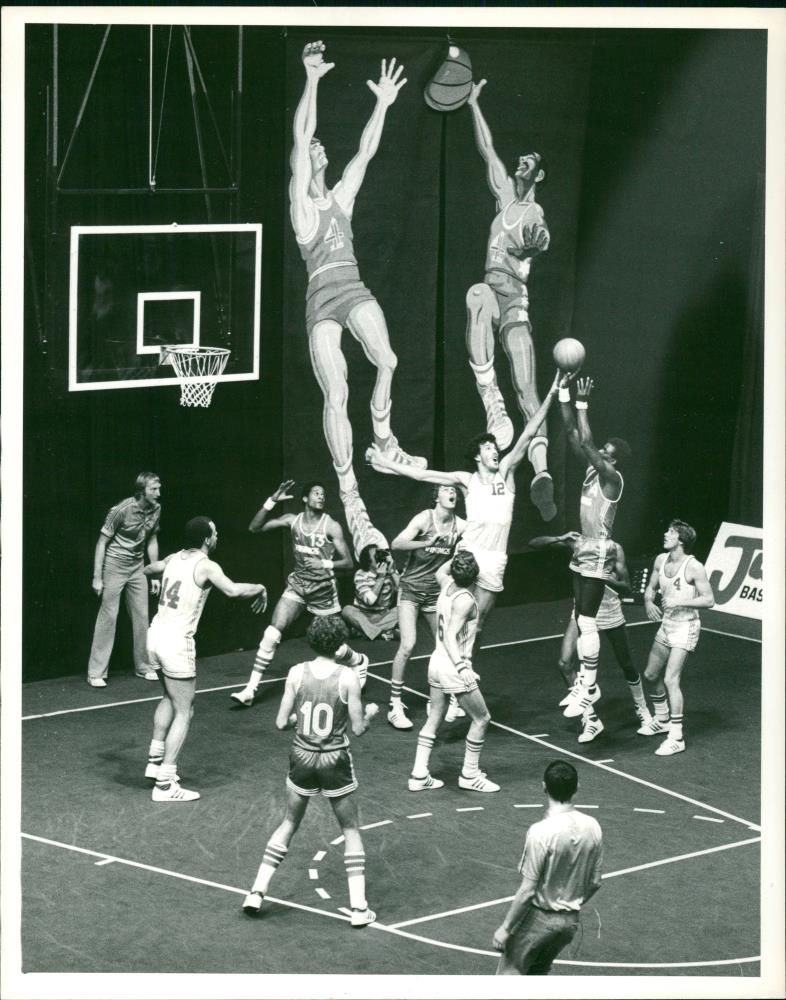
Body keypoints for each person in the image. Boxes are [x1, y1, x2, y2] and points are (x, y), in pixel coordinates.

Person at [289, 39, 425, 557]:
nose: (321, 148)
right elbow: (301, 138)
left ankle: (384, 443)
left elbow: (366, 152)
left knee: (387, 359)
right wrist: (312, 78)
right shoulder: (303, 208)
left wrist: (383, 104)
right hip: (321, 296)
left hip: (353, 285)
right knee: (337, 390)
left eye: (325, 147)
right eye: (315, 150)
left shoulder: (341, 198)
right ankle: (349, 491)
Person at [369, 370, 568, 658]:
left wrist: (551, 392)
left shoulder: (506, 472)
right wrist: (383, 459)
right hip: (468, 554)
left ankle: (464, 672)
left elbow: (528, 433)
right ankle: (450, 683)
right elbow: (422, 475)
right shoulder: (466, 480)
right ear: (477, 455)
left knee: (477, 625)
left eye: (495, 447)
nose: (494, 451)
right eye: (488, 448)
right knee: (455, 618)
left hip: (495, 559)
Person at [242, 615, 378, 927]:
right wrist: (369, 713)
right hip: (333, 759)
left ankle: (256, 892)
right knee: (351, 830)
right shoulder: (348, 677)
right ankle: (359, 910)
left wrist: (299, 721)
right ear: (340, 645)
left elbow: (281, 722)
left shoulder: (295, 673)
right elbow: (358, 729)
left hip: (301, 756)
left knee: (289, 823)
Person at [464, 79, 555, 522]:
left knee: (527, 388)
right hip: (493, 290)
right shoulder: (503, 198)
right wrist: (474, 101)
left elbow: (541, 240)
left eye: (530, 162)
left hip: (516, 301)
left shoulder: (533, 212)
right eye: (520, 159)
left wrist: (536, 246)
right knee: (475, 294)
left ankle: (541, 472)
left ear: (537, 176)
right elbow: (487, 148)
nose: (520, 163)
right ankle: (490, 401)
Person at [143, 517, 267, 801]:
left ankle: (154, 762)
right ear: (207, 539)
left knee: (168, 697)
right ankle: (165, 784)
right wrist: (260, 586)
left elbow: (151, 568)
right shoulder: (206, 565)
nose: (217, 536)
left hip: (155, 636)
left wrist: (156, 576)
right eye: (215, 532)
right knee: (185, 711)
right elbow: (233, 591)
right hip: (176, 642)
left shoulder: (175, 558)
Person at [231, 480, 369, 707]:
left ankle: (359, 661)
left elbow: (348, 562)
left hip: (324, 591)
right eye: (316, 493)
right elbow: (254, 528)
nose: (321, 497)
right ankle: (250, 690)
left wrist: (324, 563)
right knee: (271, 633)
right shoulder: (292, 521)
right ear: (305, 498)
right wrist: (271, 500)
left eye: (323, 494)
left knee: (331, 647)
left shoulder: (331, 526)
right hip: (298, 586)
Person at [528, 531, 653, 742]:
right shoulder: (577, 543)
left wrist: (600, 576)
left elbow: (627, 587)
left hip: (609, 611)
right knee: (564, 663)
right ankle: (591, 719)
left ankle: (643, 710)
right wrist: (560, 538)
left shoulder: (614, 549)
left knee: (627, 664)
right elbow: (533, 543)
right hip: (583, 612)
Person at [558, 376, 632, 726]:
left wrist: (583, 401)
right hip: (581, 548)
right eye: (603, 450)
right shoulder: (592, 470)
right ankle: (586, 686)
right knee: (579, 617)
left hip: (599, 549)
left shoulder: (612, 479)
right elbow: (574, 434)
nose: (601, 452)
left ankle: (588, 685)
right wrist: (563, 392)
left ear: (615, 462)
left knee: (587, 621)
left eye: (608, 453)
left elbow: (586, 439)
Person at [493, 760, 603, 975]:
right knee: (539, 975)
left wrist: (505, 928)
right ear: (577, 788)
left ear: (544, 787)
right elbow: (595, 882)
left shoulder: (540, 832)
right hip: (568, 925)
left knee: (507, 981)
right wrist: (569, 906)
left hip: (539, 920)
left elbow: (527, 891)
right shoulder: (593, 826)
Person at [407, 550, 500, 793]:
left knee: (435, 715)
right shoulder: (467, 600)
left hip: (435, 662)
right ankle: (469, 775)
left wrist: (458, 553)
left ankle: (418, 775)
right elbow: (450, 635)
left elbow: (441, 570)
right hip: (452, 665)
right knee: (482, 718)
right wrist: (462, 667)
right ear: (475, 576)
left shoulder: (445, 583)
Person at [387, 485, 465, 730]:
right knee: (408, 644)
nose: (452, 493)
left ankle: (445, 698)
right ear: (437, 496)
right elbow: (396, 543)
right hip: (410, 589)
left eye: (454, 490)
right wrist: (425, 543)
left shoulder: (460, 526)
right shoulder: (424, 518)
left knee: (445, 646)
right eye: (445, 489)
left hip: (435, 595)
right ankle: (395, 705)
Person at [639, 519, 715, 756]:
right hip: (667, 624)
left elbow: (709, 600)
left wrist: (678, 601)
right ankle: (662, 719)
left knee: (671, 680)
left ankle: (676, 736)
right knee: (651, 674)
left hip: (686, 626)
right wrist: (648, 601)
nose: (665, 534)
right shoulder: (660, 560)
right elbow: (650, 587)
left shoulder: (694, 567)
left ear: (681, 540)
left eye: (670, 532)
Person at [87, 471, 162, 687]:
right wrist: (97, 576)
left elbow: (152, 539)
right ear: (142, 491)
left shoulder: (157, 509)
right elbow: (102, 543)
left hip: (137, 566)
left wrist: (154, 572)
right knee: (109, 616)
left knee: (142, 616)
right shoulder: (121, 510)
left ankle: (144, 666)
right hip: (114, 565)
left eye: (159, 488)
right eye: (153, 489)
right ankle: (96, 673)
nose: (158, 493)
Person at [342, 542, 400, 640]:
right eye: (376, 555)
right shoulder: (361, 574)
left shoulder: (390, 571)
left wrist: (393, 571)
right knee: (347, 610)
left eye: (380, 553)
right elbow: (369, 600)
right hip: (363, 614)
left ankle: (365, 631)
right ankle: (382, 634)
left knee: (404, 609)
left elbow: (405, 591)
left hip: (384, 615)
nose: (380, 557)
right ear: (369, 562)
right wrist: (381, 578)